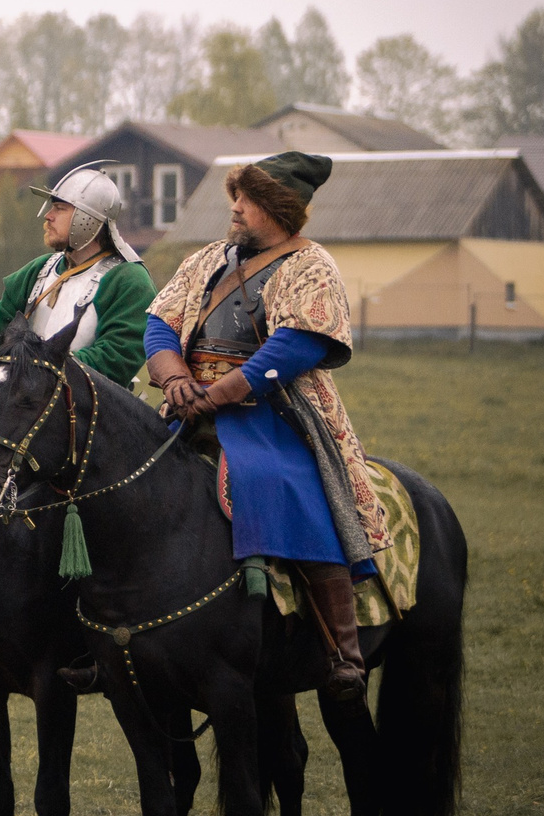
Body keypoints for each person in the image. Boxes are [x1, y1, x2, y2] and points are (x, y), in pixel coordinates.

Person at [142, 151, 392, 698]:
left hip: (274, 410)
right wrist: (174, 379)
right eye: (237, 196)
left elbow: (295, 346)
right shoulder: (209, 258)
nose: (235, 208)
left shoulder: (312, 265)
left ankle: (341, 651)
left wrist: (220, 394)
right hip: (186, 403)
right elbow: (161, 320)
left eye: (249, 200)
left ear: (279, 209)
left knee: (290, 485)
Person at [0, 163, 157, 386]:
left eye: (60, 208)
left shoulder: (129, 280)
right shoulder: (41, 269)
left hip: (90, 413)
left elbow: (115, 360)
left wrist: (36, 368)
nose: (48, 216)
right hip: (25, 402)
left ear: (88, 218)